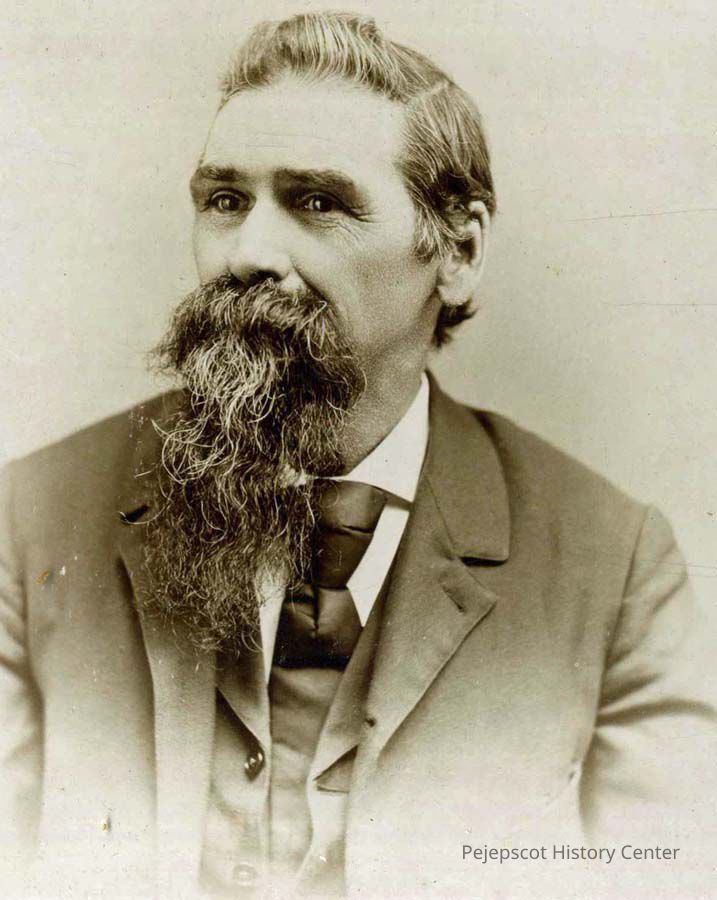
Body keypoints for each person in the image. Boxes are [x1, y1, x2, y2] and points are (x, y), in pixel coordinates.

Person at [0, 12, 714, 900]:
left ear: (457, 251)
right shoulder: (30, 521)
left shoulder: (612, 566)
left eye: (317, 203)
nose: (248, 254)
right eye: (224, 201)